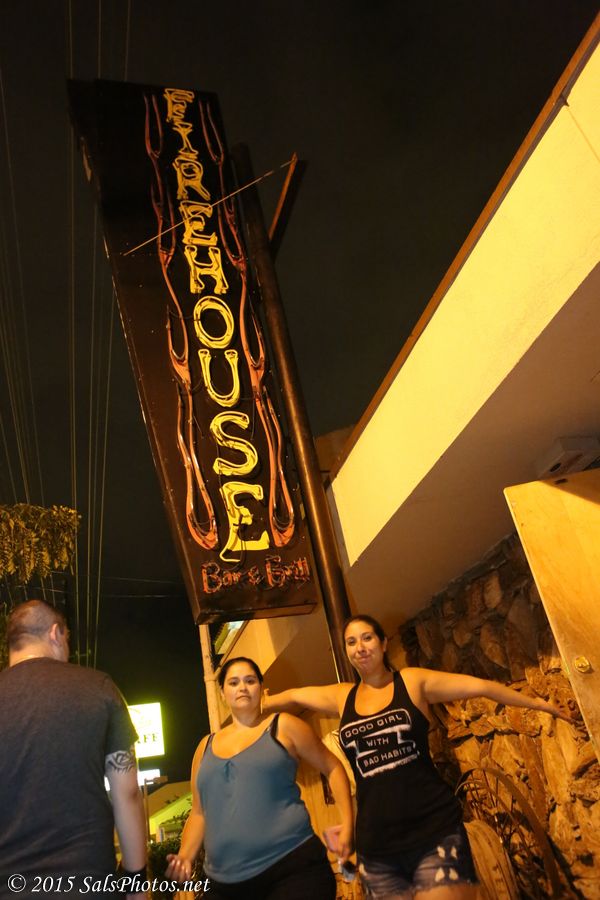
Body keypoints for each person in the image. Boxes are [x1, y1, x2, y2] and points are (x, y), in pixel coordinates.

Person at [264, 613, 572, 900]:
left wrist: (541, 705)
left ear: (383, 643)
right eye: (351, 642)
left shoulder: (412, 682)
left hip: (433, 831)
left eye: (367, 638)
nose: (360, 647)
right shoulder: (342, 697)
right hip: (377, 844)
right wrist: (262, 702)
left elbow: (481, 686)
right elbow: (294, 695)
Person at [165, 656, 353, 899]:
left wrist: (348, 823)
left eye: (250, 681)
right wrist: (184, 857)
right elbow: (200, 813)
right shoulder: (204, 747)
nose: (242, 687)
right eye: (233, 682)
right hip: (223, 883)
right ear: (222, 693)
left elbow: (333, 767)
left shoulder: (284, 727)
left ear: (261, 689)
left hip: (291, 869)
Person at [0, 600, 147, 900]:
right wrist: (136, 884)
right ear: (55, 634)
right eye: (67, 639)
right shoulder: (99, 687)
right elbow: (127, 793)